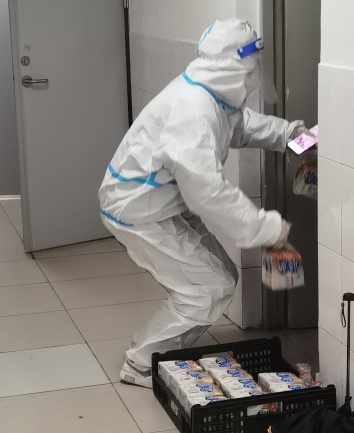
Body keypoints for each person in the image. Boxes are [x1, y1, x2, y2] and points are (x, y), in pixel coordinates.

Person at [98, 19, 307, 388]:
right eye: (250, 70)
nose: (254, 78)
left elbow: (241, 126)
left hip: (161, 202)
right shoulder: (192, 110)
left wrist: (291, 134)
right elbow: (208, 192)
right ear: (232, 68)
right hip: (136, 209)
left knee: (220, 279)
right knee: (206, 288)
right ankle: (142, 362)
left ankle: (162, 349)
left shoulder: (212, 95)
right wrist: (266, 229)